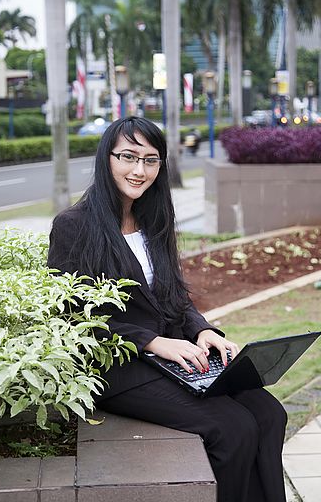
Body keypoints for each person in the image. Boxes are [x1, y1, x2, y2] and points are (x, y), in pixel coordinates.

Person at [48, 117, 287, 502]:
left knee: (269, 414)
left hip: (175, 355)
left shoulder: (153, 218)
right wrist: (152, 342)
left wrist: (202, 330)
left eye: (151, 160)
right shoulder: (73, 226)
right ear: (106, 159)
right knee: (233, 429)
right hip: (118, 368)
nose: (139, 170)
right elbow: (74, 318)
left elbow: (174, 295)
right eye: (128, 157)